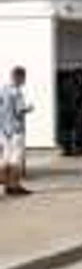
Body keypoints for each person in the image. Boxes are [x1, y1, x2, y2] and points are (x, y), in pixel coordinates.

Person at [0, 67, 33, 195]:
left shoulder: (3, 90)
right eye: (23, 77)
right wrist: (29, 108)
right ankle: (14, 186)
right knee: (16, 159)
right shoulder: (17, 92)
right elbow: (19, 111)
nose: (24, 80)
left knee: (6, 157)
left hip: (4, 130)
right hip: (16, 130)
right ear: (19, 77)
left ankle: (7, 185)